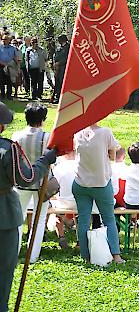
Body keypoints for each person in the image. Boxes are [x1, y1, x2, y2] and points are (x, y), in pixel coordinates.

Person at [0, 102, 57, 312]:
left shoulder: (15, 138)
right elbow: (25, 176)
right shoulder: (8, 147)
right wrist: (45, 161)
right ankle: (32, 254)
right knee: (4, 269)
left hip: (15, 193)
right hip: (13, 198)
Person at [73, 122, 125, 264]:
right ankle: (116, 256)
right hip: (101, 183)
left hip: (80, 182)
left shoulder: (77, 133)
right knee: (109, 219)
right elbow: (113, 156)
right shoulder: (106, 132)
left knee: (83, 220)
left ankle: (86, 256)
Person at [12, 103, 50, 264]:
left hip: (21, 181)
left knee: (18, 219)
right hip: (41, 183)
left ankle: (15, 250)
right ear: (42, 119)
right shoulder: (46, 137)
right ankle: (33, 255)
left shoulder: (16, 136)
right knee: (39, 220)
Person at [0, 34, 20, 100]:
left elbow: (16, 57)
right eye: (3, 39)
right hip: (1, 66)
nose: (4, 40)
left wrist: (18, 67)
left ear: (9, 40)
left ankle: (9, 95)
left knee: (9, 81)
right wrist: (3, 63)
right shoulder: (0, 47)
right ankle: (2, 95)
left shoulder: (13, 48)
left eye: (6, 39)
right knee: (1, 81)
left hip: (10, 66)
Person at [52, 34, 70, 104]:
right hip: (57, 69)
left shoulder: (68, 48)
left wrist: (59, 63)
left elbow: (67, 58)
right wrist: (55, 64)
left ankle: (63, 98)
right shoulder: (59, 48)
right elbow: (55, 56)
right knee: (58, 83)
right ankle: (57, 97)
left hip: (64, 68)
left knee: (63, 83)